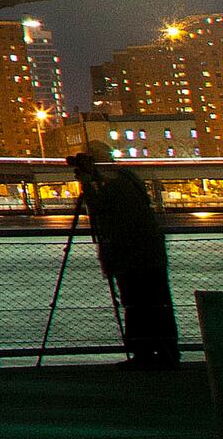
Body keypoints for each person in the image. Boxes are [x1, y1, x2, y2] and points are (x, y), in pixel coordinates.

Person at [65, 147, 180, 367]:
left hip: (132, 257)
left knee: (136, 304)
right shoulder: (128, 180)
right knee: (158, 303)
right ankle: (166, 352)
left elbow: (98, 207)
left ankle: (145, 353)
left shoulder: (117, 187)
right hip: (149, 254)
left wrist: (87, 183)